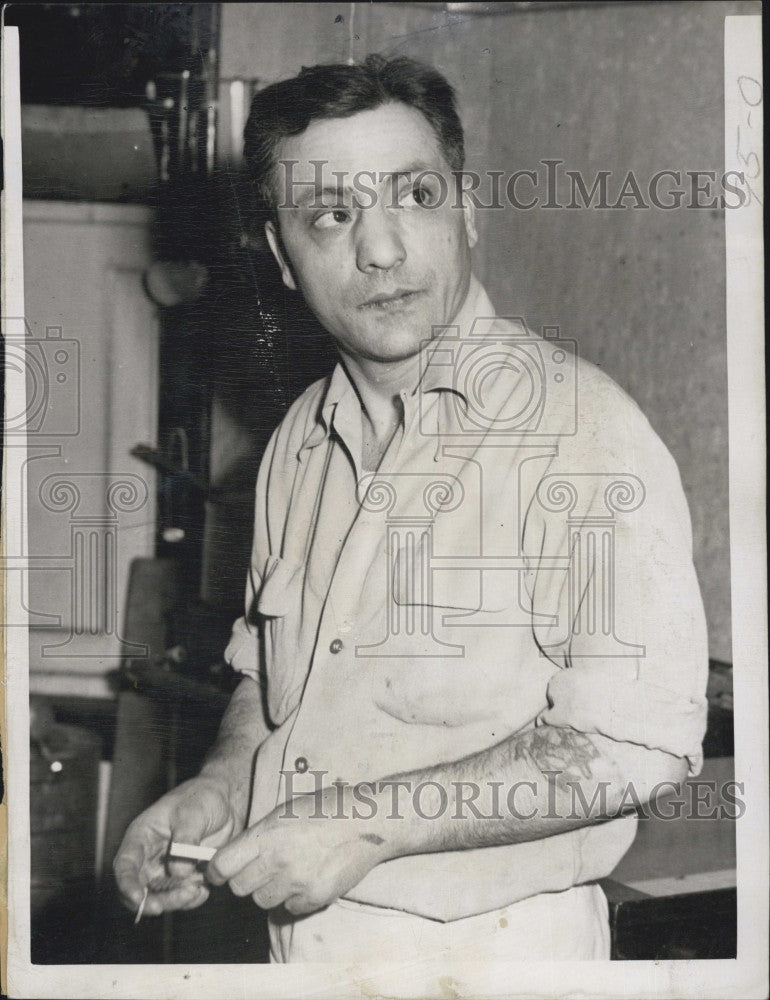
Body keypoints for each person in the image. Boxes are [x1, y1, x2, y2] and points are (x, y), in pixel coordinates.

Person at [114, 54, 708, 966]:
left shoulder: (583, 431)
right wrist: (223, 786)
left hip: (494, 959)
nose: (381, 249)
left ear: (466, 209)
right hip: (300, 946)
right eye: (332, 215)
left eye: (415, 196)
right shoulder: (298, 443)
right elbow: (273, 684)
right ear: (282, 256)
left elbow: (637, 743)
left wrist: (368, 827)